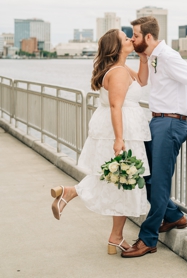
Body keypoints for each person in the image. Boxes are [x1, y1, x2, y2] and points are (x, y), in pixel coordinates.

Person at [120, 16, 187, 258]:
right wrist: (142, 59)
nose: (132, 39)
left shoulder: (168, 57)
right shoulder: (154, 57)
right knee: (143, 175)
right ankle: (175, 216)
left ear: (148, 36)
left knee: (158, 183)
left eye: (135, 35)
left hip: (170, 123)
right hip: (157, 121)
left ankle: (148, 239)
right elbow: (144, 82)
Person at [49, 29, 151, 255]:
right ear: (116, 47)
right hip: (121, 133)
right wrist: (119, 139)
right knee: (123, 180)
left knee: (121, 182)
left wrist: (143, 58)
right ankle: (71, 192)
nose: (131, 40)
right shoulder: (118, 73)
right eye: (126, 39)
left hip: (125, 131)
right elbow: (116, 106)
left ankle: (115, 236)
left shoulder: (123, 69)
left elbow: (142, 81)